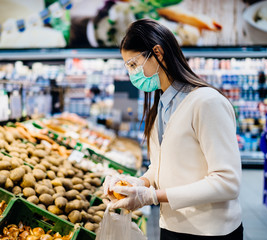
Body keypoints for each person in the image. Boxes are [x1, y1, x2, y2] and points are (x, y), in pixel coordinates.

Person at [103, 19, 243, 240]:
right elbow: (161, 167)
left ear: (157, 53)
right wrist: (138, 183)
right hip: (172, 227)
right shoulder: (162, 105)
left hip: (209, 231)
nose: (131, 74)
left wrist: (153, 196)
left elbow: (227, 182)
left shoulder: (206, 103)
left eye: (133, 64)